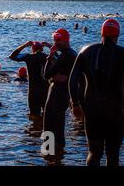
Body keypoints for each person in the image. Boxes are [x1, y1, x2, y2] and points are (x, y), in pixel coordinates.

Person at [69, 19, 123, 166]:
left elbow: (72, 80)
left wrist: (75, 104)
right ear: (117, 35)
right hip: (116, 112)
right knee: (113, 154)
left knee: (94, 152)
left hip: (92, 111)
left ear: (102, 33)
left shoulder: (85, 51)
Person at [43, 29, 77, 152]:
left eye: (58, 40)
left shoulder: (66, 55)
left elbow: (46, 75)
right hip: (63, 94)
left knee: (49, 125)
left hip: (57, 94)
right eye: (54, 40)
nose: (56, 43)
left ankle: (48, 154)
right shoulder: (72, 53)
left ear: (66, 40)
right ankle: (59, 155)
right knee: (59, 124)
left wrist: (50, 57)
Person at [10, 41, 50, 117]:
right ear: (42, 49)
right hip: (46, 91)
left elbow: (12, 56)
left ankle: (35, 127)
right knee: (47, 116)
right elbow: (60, 58)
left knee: (34, 116)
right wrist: (50, 46)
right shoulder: (48, 56)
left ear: (33, 49)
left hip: (33, 91)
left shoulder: (28, 57)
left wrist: (25, 45)